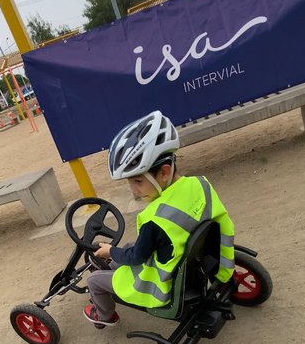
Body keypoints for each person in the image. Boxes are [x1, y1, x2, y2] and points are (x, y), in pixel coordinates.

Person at [83, 111, 235, 328]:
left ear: (163, 172)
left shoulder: (155, 220)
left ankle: (104, 317)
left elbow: (137, 257)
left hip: (164, 285)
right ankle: (114, 264)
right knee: (127, 245)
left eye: (137, 181)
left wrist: (111, 251)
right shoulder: (199, 185)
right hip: (190, 263)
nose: (134, 191)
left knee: (94, 281)